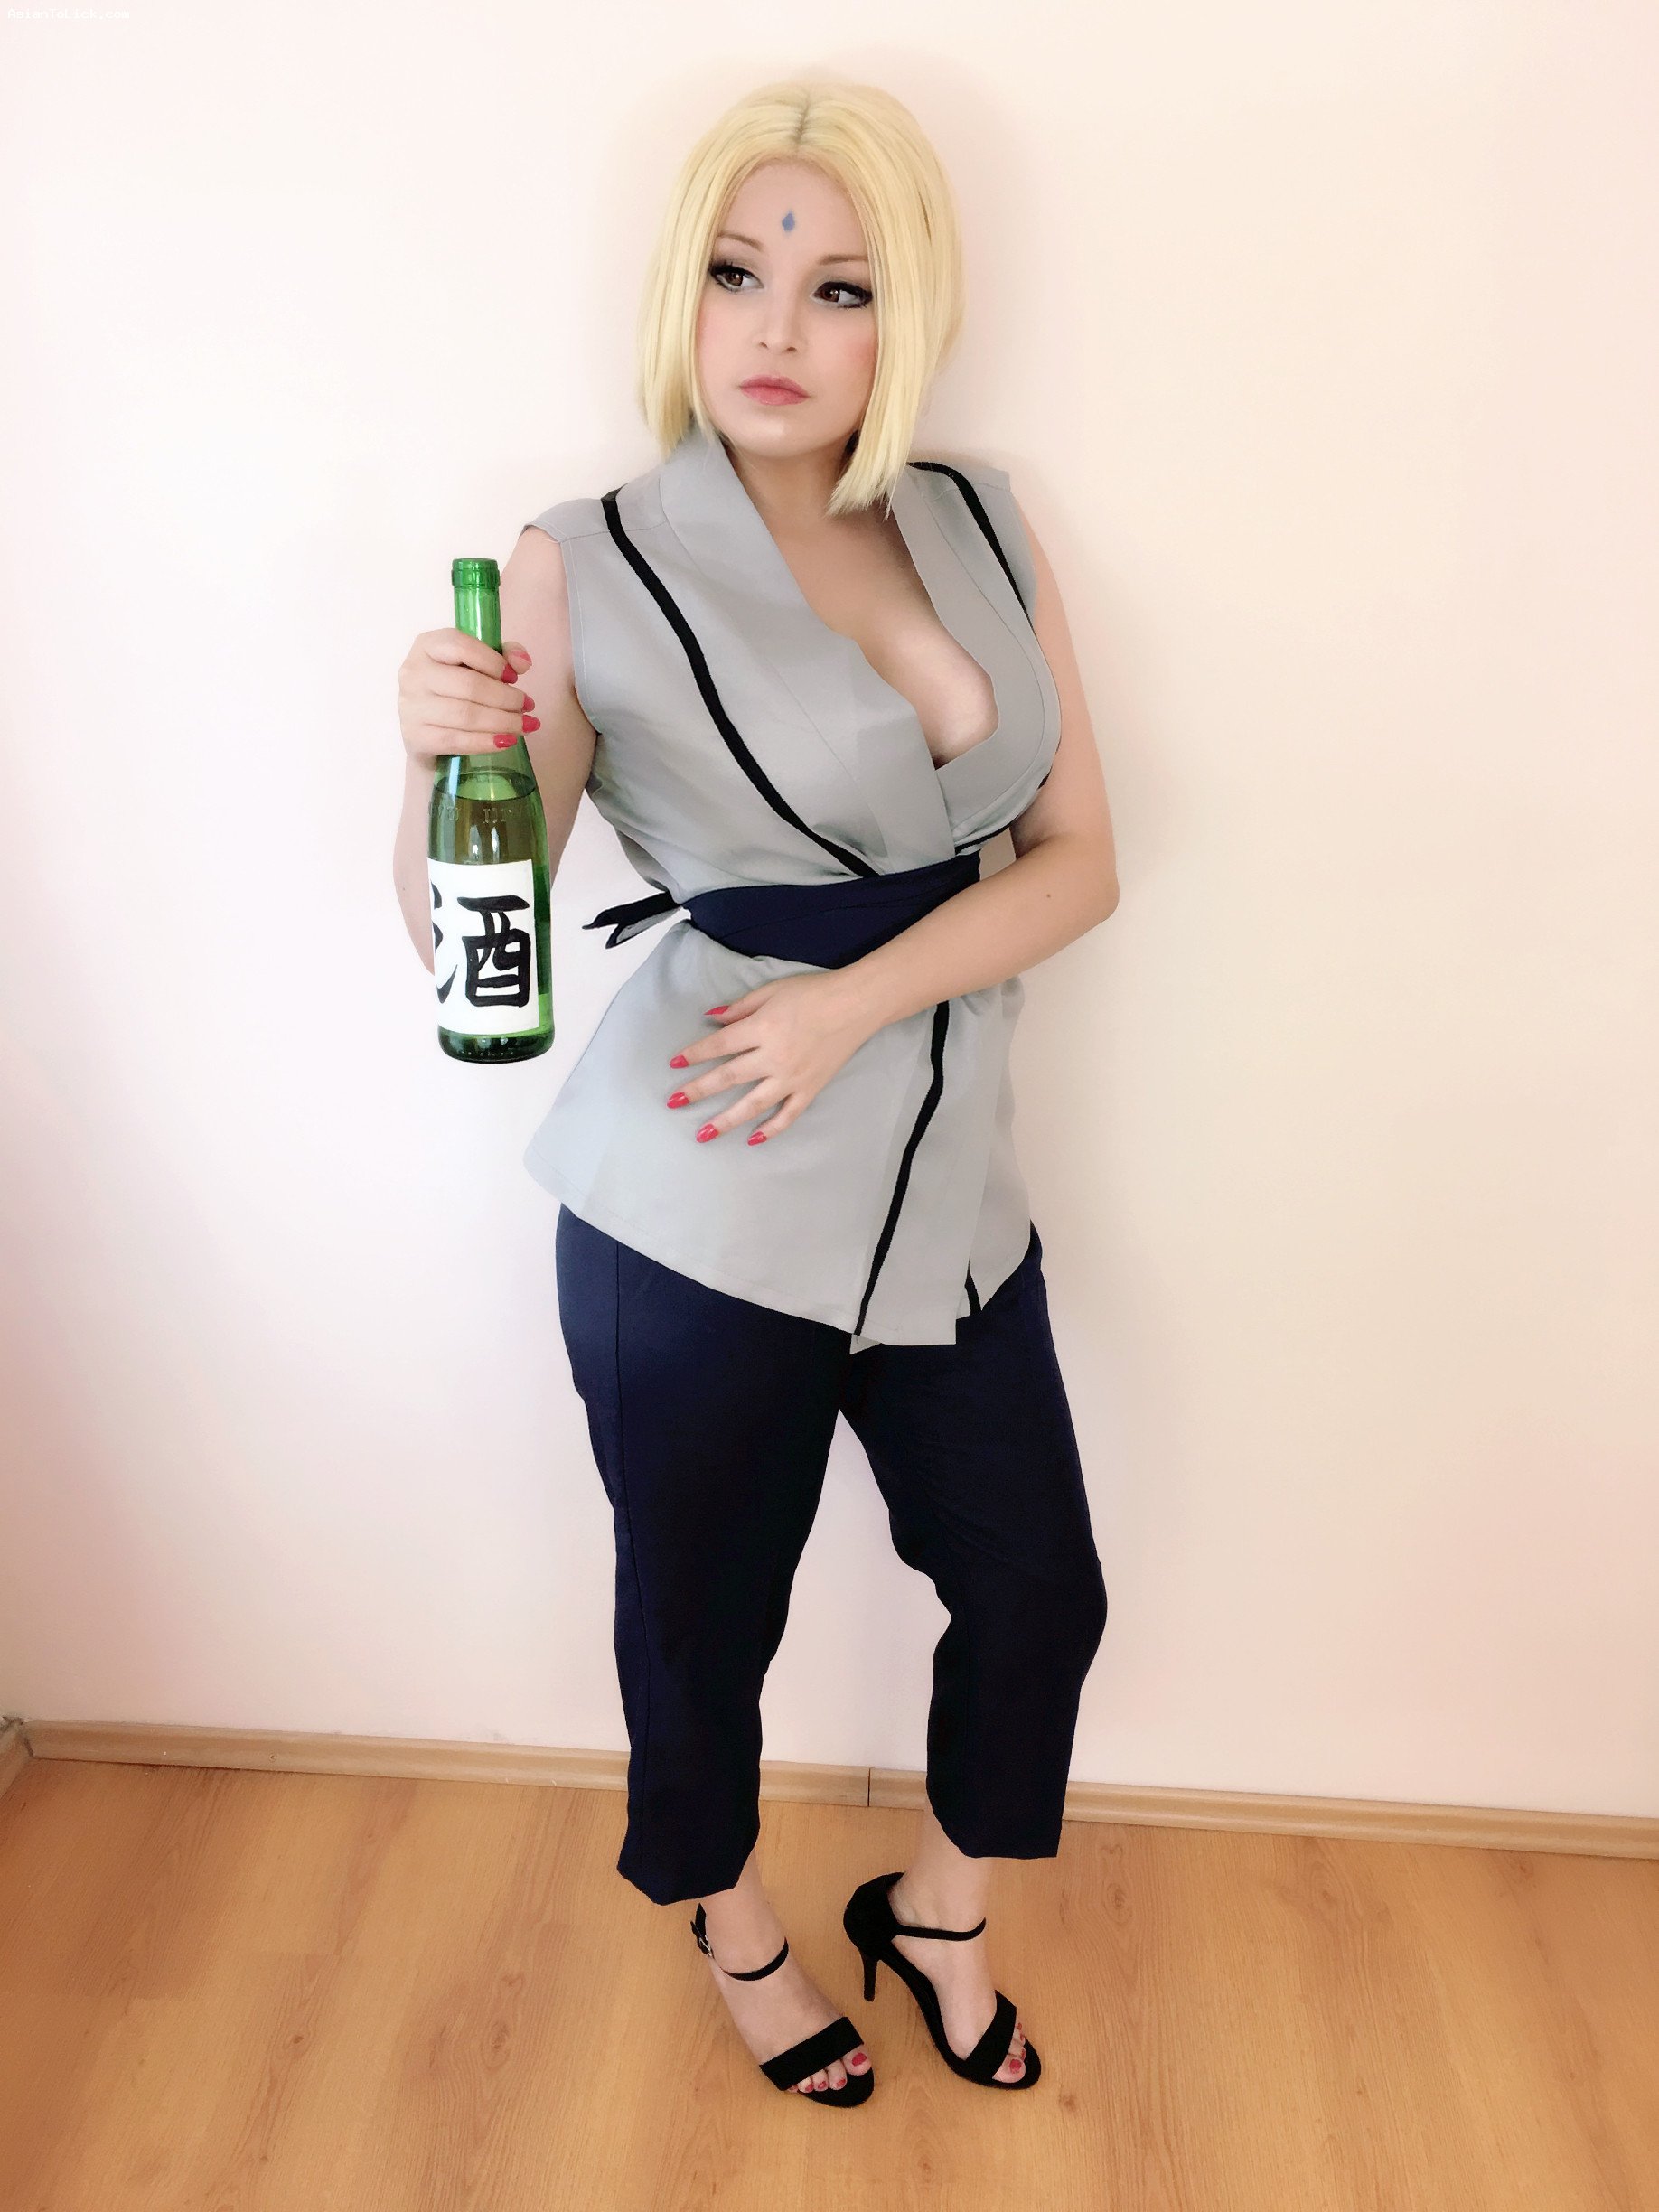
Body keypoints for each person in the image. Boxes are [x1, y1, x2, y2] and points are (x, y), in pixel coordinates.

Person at [392, 75, 1120, 2108]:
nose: (777, 326)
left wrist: (851, 1005)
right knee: (702, 1621)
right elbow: (477, 914)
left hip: (946, 1184)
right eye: (735, 272)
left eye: (840, 285)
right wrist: (431, 759)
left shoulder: (980, 521)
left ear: (910, 315)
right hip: (702, 1192)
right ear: (683, 295)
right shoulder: (583, 563)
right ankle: (732, 1923)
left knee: (1037, 1589)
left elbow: (1079, 862)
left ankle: (940, 1912)